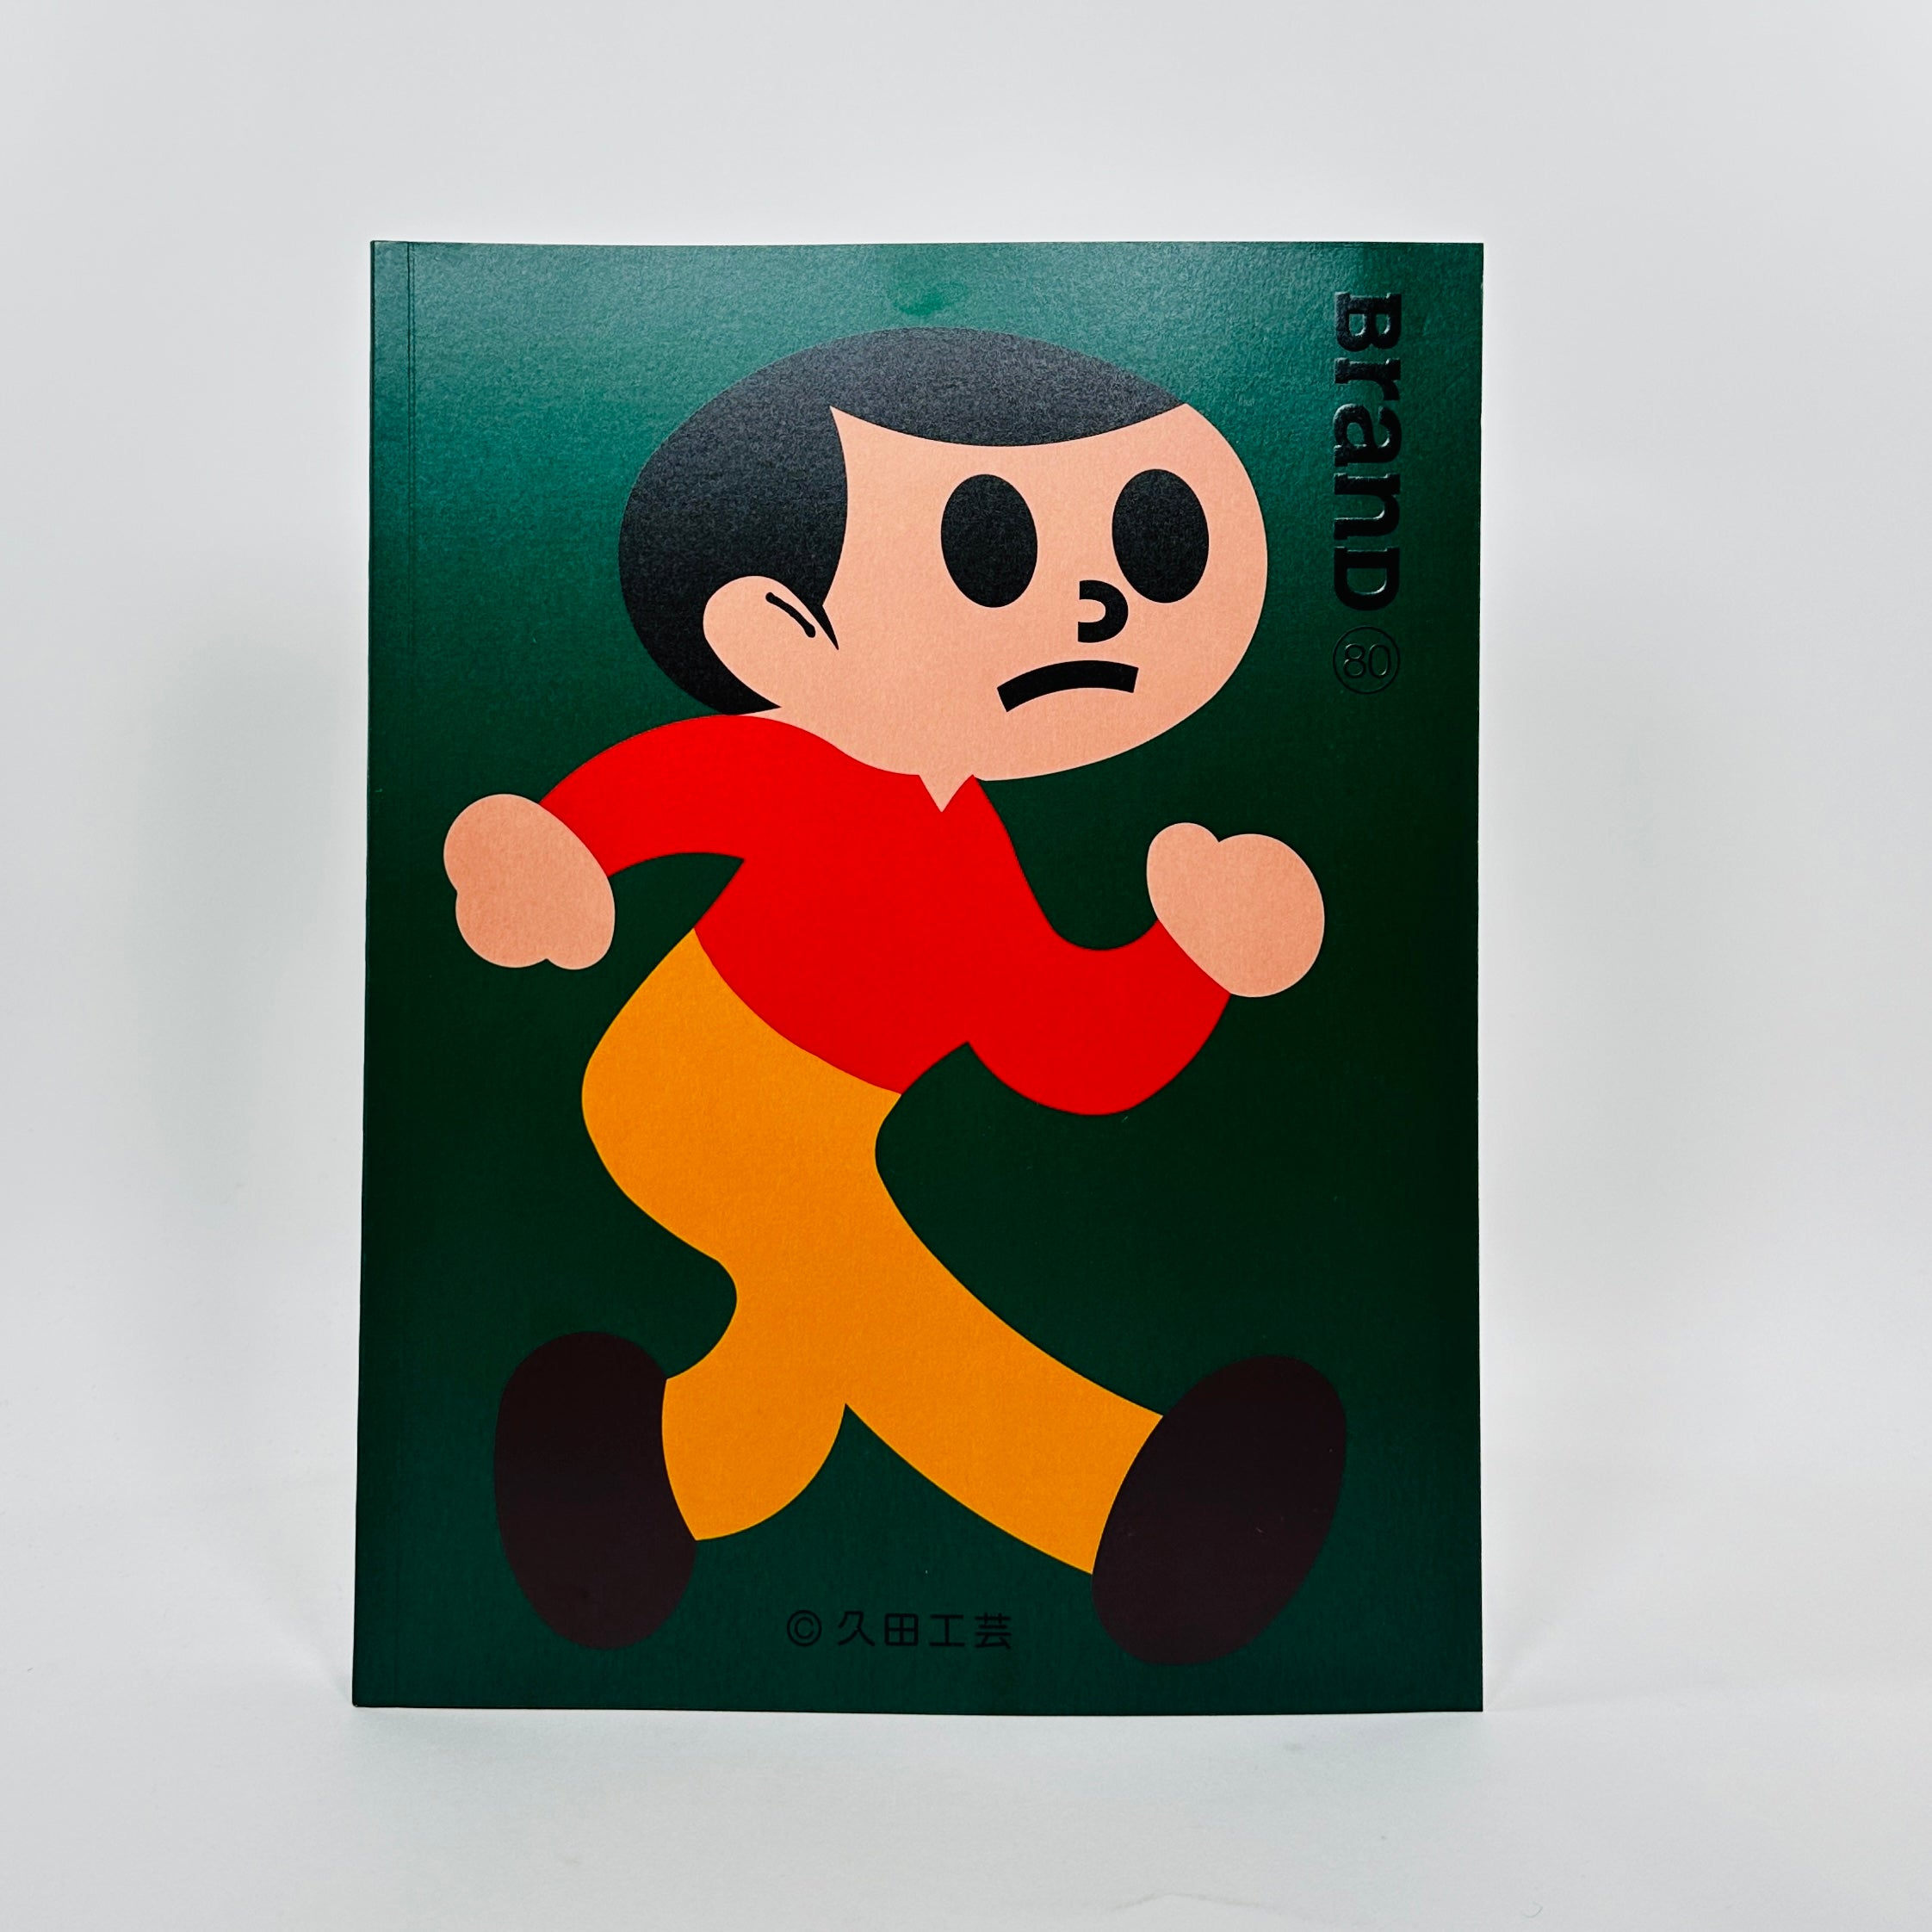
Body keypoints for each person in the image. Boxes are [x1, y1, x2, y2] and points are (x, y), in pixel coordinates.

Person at [446, 328, 1344, 1665]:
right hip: (687, 1090)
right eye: (991, 552)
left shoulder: (971, 853)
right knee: (882, 1297)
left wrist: (1192, 958)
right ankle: (1115, 1502)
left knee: (805, 1354)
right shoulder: (803, 769)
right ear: (778, 630)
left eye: (1153, 548)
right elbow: (664, 792)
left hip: (824, 1132)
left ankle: (635, 1483)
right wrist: (557, 858)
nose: (1096, 609)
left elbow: (1063, 1042)